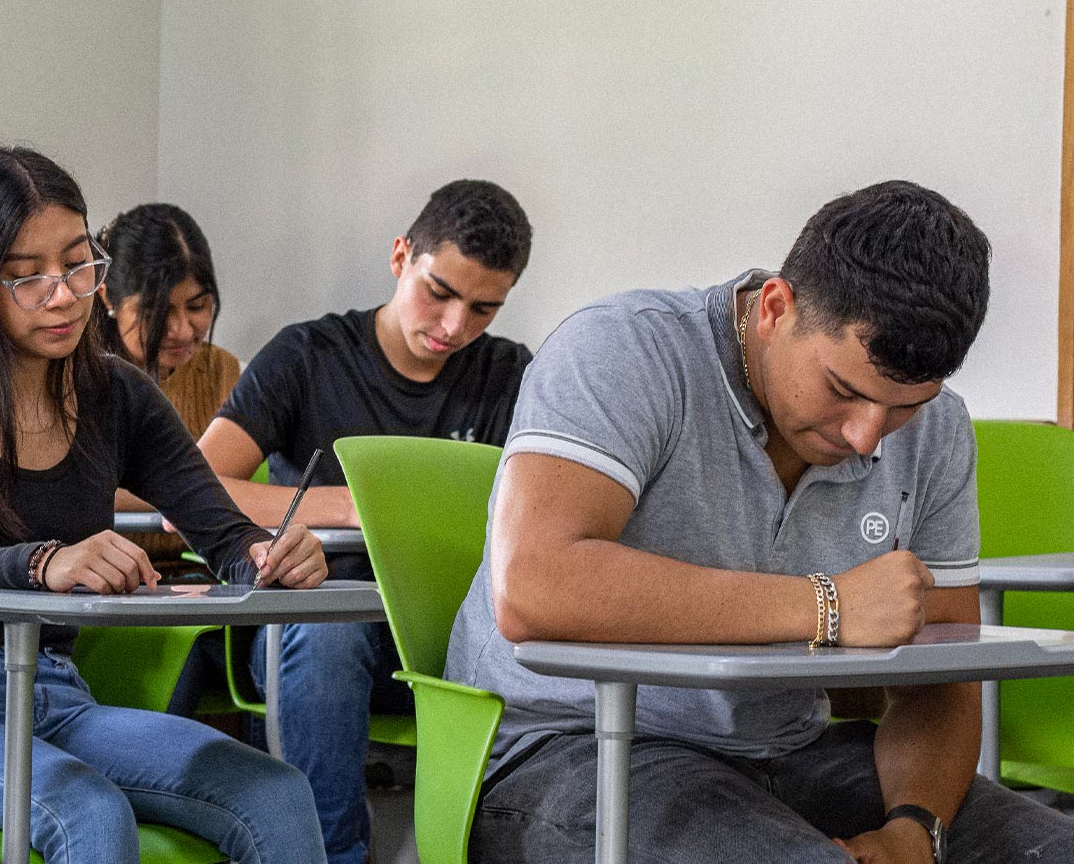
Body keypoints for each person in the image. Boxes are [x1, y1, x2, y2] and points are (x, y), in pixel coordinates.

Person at [451, 180, 1074, 862]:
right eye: (842, 389)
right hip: (570, 746)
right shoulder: (623, 348)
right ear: (776, 308)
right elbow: (536, 584)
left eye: (904, 407)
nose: (867, 436)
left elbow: (942, 676)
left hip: (786, 749)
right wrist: (828, 605)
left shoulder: (939, 429)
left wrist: (916, 829)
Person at [0, 145, 329, 864]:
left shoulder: (117, 392)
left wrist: (269, 553)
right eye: (27, 277)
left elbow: (224, 535)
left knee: (274, 791)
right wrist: (47, 563)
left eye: (77, 264)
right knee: (85, 808)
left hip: (54, 695)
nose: (64, 294)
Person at [199, 178, 535, 864]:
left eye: (483, 309)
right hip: (312, 632)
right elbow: (198, 486)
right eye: (439, 292)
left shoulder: (509, 373)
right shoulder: (307, 355)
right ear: (400, 255)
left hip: (446, 638)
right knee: (332, 632)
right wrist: (351, 506)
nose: (454, 326)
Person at [95, 202, 238, 438]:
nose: (181, 331)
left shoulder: (221, 372)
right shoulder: (78, 380)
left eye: (196, 306)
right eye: (156, 313)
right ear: (108, 298)